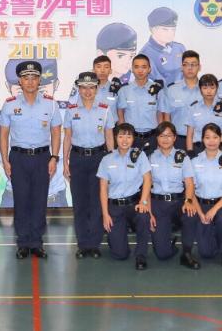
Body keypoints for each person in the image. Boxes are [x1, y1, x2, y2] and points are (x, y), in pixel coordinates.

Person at [0, 60, 62, 259]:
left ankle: (36, 242)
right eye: (26, 78)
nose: (30, 82)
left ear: (39, 80)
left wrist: (54, 157)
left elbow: (56, 132)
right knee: (21, 200)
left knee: (39, 200)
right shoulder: (10, 105)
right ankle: (23, 242)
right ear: (20, 81)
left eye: (34, 77)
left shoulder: (51, 104)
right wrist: (5, 161)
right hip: (18, 158)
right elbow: (3, 135)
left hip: (42, 157)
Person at [61, 72, 112, 258]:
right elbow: (67, 137)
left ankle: (94, 243)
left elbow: (109, 136)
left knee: (97, 203)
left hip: (99, 158)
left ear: (96, 88)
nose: (88, 91)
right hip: (78, 158)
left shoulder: (105, 109)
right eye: (84, 87)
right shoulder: (71, 109)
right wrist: (65, 162)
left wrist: (111, 162)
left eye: (91, 87)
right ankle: (83, 244)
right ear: (79, 89)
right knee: (80, 203)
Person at [182, 123, 222, 268]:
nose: (211, 141)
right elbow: (190, 189)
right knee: (206, 253)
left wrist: (214, 209)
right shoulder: (194, 160)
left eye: (215, 137)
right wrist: (200, 213)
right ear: (202, 139)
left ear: (221, 139)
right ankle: (193, 248)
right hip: (200, 203)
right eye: (207, 137)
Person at [97, 123, 153, 270]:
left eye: (129, 137)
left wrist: (143, 202)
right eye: (121, 136)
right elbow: (103, 189)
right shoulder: (107, 160)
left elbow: (148, 179)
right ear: (115, 138)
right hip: (115, 207)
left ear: (133, 139)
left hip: (134, 204)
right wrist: (105, 214)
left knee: (143, 216)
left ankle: (141, 255)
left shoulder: (140, 156)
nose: (125, 140)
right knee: (120, 254)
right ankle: (116, 241)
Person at [147, 123, 189, 265]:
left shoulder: (182, 156)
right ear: (157, 138)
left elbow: (189, 183)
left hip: (178, 202)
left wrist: (189, 201)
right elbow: (146, 186)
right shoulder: (150, 157)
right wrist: (149, 212)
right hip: (158, 204)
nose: (165, 139)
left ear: (175, 138)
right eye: (162, 136)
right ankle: (168, 242)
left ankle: (187, 251)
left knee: (191, 214)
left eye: (169, 135)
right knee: (162, 254)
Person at [117, 55, 163, 152]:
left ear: (149, 69)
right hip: (131, 138)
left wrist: (161, 138)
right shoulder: (124, 90)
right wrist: (123, 137)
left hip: (152, 138)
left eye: (144, 67)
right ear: (132, 69)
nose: (140, 70)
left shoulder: (158, 90)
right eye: (136, 67)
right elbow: (121, 115)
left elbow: (160, 115)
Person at [184, 75, 222, 154]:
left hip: (219, 148)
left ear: (217, 89)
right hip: (198, 148)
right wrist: (190, 153)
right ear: (200, 90)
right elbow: (189, 135)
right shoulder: (193, 108)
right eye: (205, 88)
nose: (209, 91)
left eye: (212, 88)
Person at [140, 7, 186, 85]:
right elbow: (157, 82)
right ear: (153, 29)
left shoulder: (180, 48)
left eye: (173, 29)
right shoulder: (145, 54)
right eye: (165, 29)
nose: (170, 33)